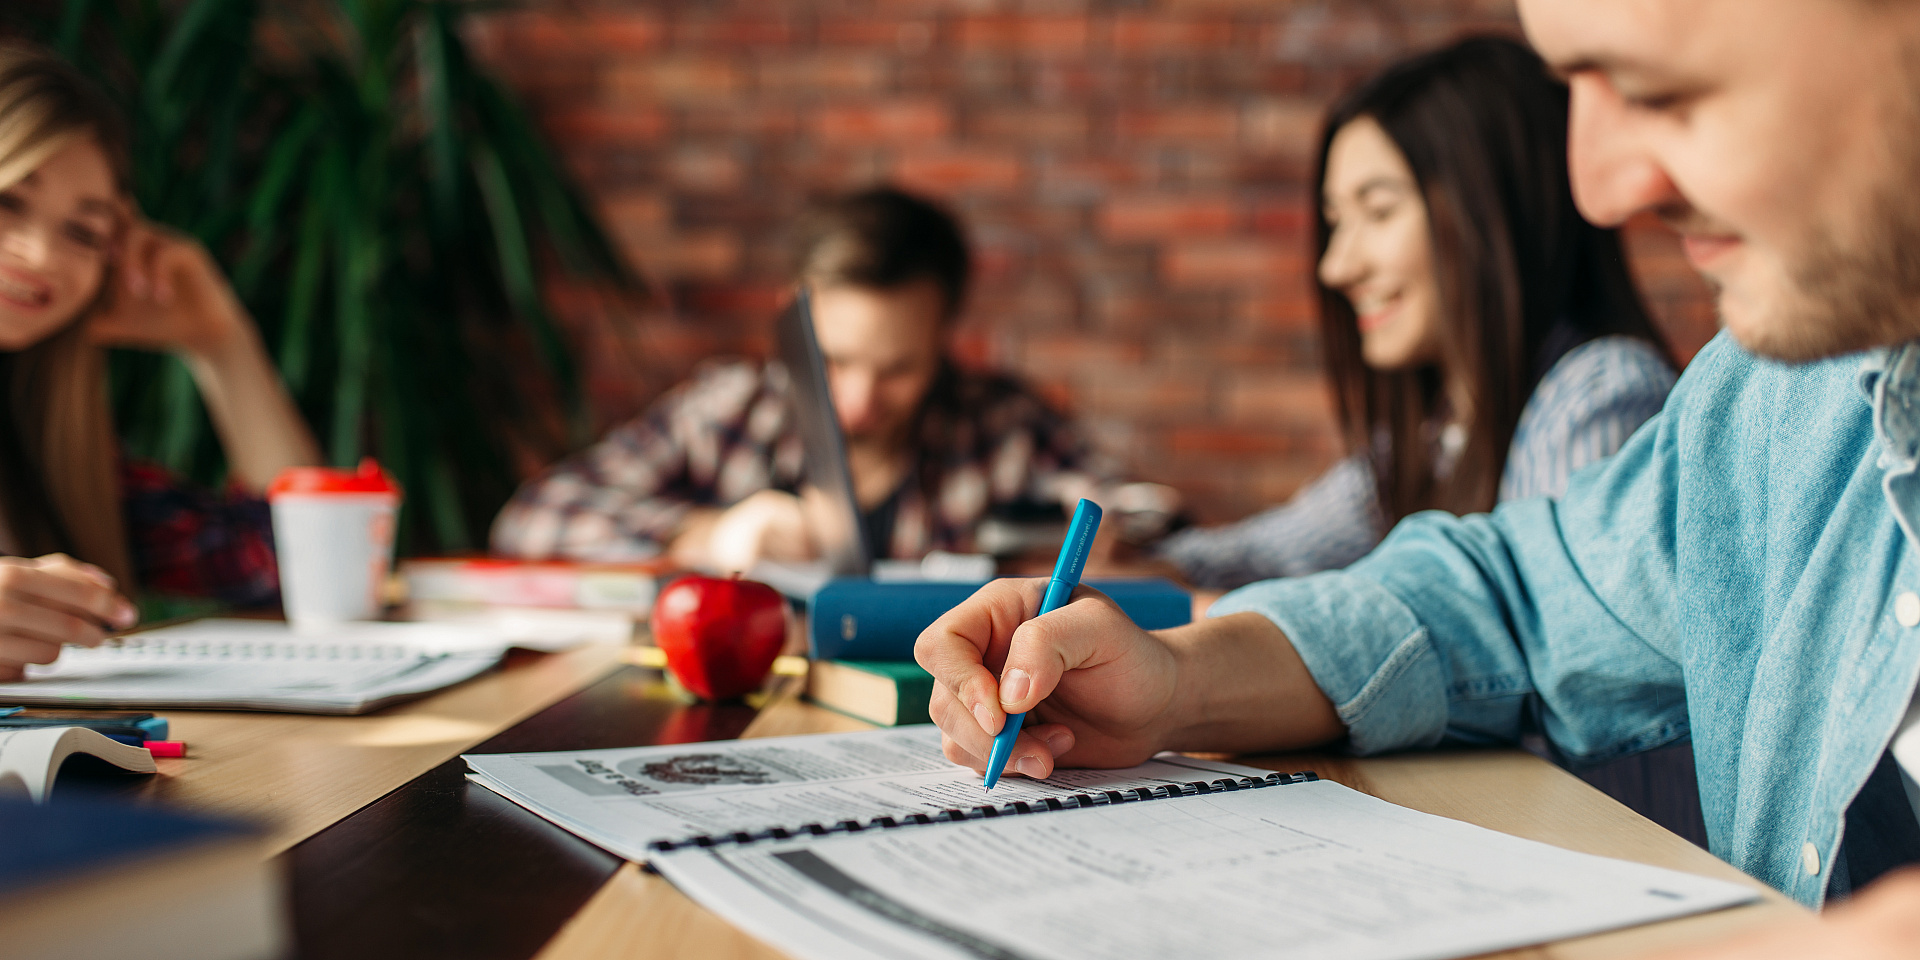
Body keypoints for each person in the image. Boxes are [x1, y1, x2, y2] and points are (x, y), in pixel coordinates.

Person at [916, 0, 1920, 949]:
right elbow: (1507, 599)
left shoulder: (1607, 390)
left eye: (1662, 91)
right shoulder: (1780, 400)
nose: (1600, 189)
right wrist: (1179, 681)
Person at [1158, 37, 1674, 592]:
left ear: (1494, 211)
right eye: (1337, 222)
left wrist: (1221, 626)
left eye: (1378, 212)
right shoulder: (1442, 429)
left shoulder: (1598, 396)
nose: (1336, 267)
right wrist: (1140, 561)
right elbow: (1266, 552)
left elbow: (1531, 652)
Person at [493, 187, 1146, 571]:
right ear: (793, 318)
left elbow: (1156, 523)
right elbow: (536, 515)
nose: (860, 401)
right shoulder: (731, 409)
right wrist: (707, 536)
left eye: (898, 368)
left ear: (944, 333)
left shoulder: (1005, 425)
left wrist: (1104, 539)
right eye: (834, 360)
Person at [0, 44, 320, 680]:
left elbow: (294, 565)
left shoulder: (45, 449)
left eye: (84, 234)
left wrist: (221, 343)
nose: (41, 255)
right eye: (8, 200)